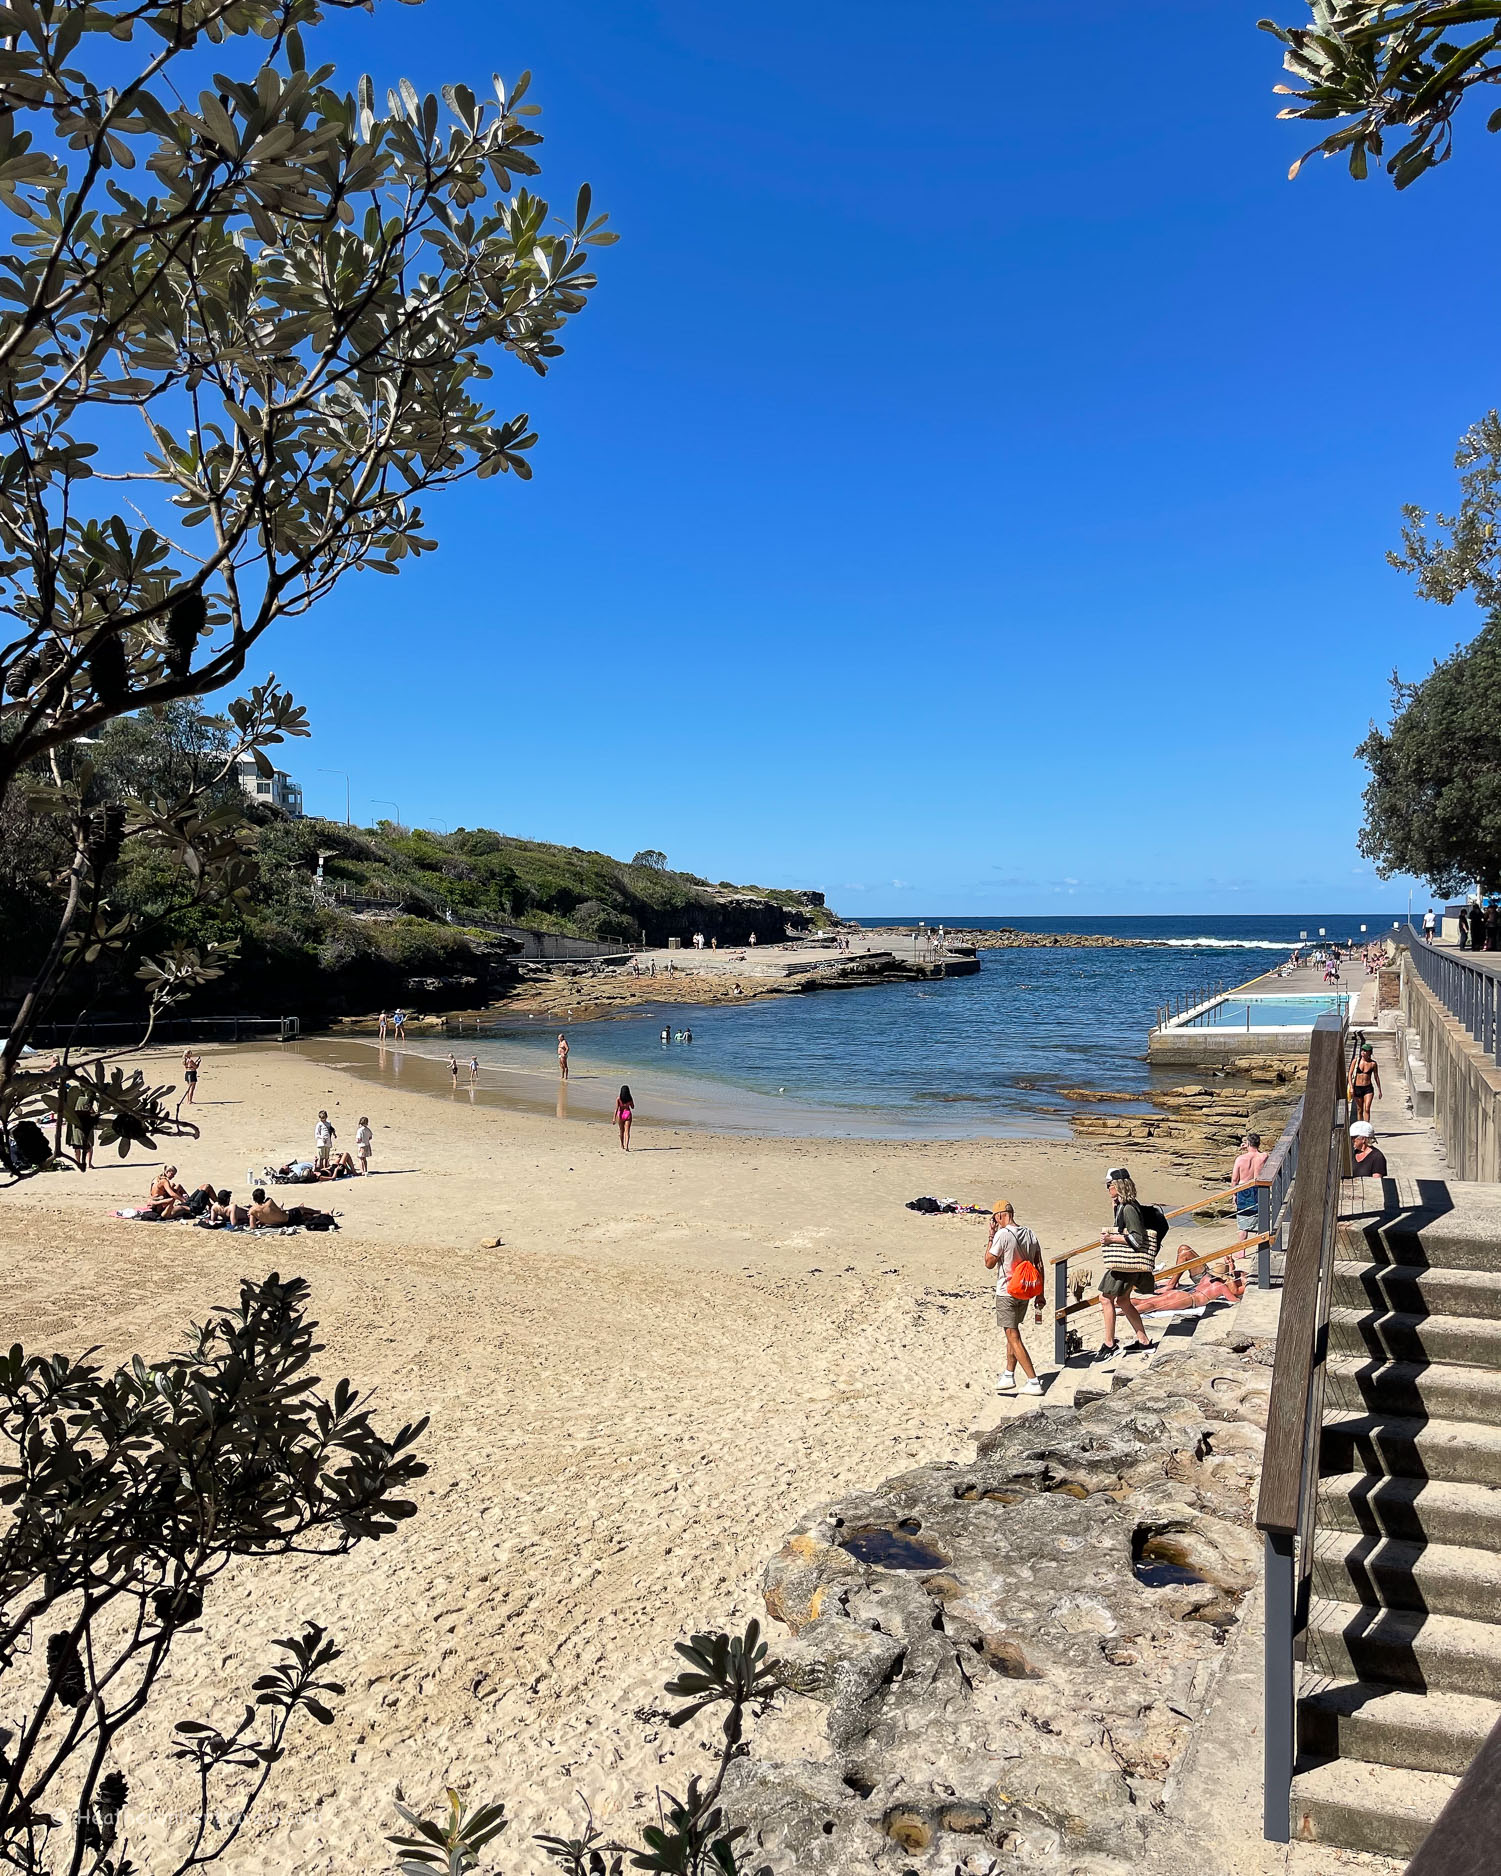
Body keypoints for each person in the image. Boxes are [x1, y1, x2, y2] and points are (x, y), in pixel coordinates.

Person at [983, 1201, 1045, 1396]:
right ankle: (1009, 1375)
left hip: (1007, 1291)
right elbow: (1039, 1264)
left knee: (1013, 1336)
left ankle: (1033, 1381)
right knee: (1013, 1333)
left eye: (995, 1218)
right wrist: (1040, 1294)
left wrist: (991, 1236)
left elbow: (989, 1263)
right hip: (1025, 1290)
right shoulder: (1030, 1233)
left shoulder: (1002, 1235)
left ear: (1000, 1216)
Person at [1097, 1168, 1156, 1361]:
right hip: (1129, 1264)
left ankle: (1109, 1344)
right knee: (1122, 1301)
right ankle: (1144, 1341)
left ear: (1118, 1186)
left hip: (1126, 1263)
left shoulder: (1129, 1208)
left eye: (1109, 1185)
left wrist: (1112, 1239)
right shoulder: (1125, 1205)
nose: (1107, 1189)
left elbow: (1137, 1239)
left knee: (1106, 1299)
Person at [1231, 1132, 1267, 1241]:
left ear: (1247, 1143)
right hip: (1259, 1189)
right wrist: (1249, 1147)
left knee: (1243, 1225)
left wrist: (1234, 1195)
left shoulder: (1240, 1159)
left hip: (1243, 1189)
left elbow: (1234, 1179)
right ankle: (1260, 1248)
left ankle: (1242, 1251)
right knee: (1260, 1221)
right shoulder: (1264, 1156)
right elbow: (1262, 1154)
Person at [1348, 1044, 1381, 1123]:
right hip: (1357, 1087)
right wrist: (1351, 1087)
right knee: (1359, 1109)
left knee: (1367, 1109)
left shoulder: (1373, 1064)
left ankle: (1366, 1127)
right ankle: (1360, 1128)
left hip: (1368, 1088)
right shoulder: (1356, 1061)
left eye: (1365, 1051)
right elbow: (1349, 1074)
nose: (1363, 1052)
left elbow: (1376, 1077)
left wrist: (1379, 1090)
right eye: (1362, 1050)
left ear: (1369, 1052)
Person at [178, 1048, 201, 1113]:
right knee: (192, 1088)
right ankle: (189, 1101)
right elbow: (196, 1067)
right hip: (192, 1073)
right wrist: (198, 1062)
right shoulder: (190, 1060)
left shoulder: (184, 1060)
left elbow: (190, 1066)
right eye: (190, 1053)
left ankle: (189, 1100)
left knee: (189, 1087)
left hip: (187, 1073)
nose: (191, 1054)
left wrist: (196, 1061)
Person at [614, 1083, 634, 1150]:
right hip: (627, 1114)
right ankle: (627, 1146)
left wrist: (614, 1118)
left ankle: (622, 1145)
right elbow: (633, 1107)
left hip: (620, 1114)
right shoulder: (630, 1099)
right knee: (627, 1131)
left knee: (621, 1131)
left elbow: (616, 1109)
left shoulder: (618, 1099)